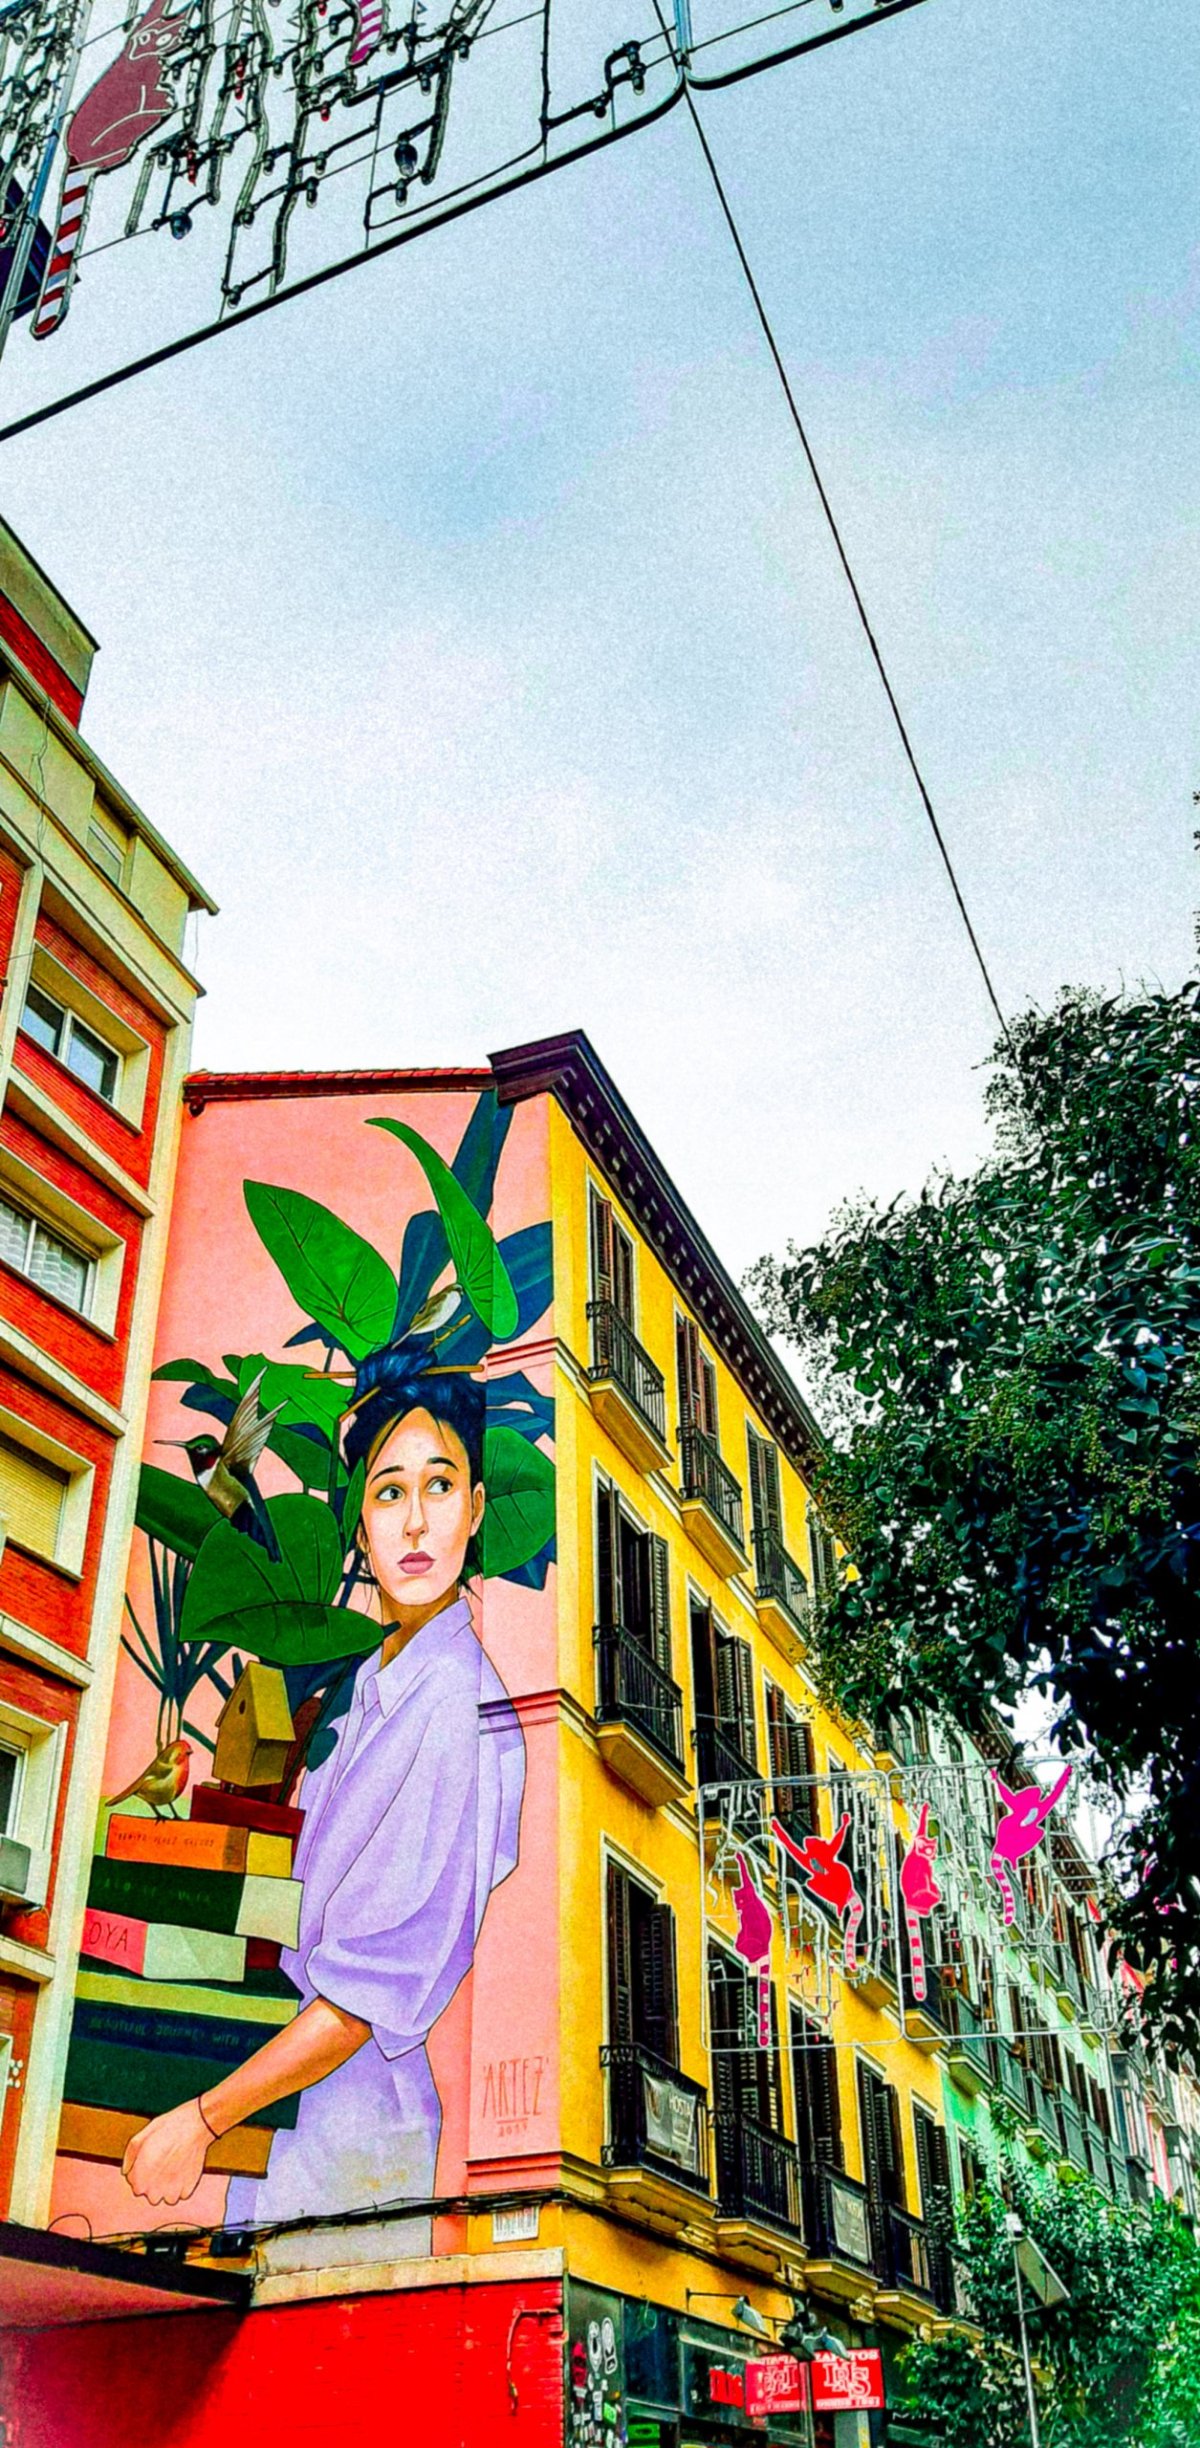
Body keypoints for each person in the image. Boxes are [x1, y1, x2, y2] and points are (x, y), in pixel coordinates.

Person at [122, 1357, 525, 2222]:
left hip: (354, 2135)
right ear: (359, 1525)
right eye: (388, 1493)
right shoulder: (368, 1683)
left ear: (476, 1509)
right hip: (291, 2111)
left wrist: (201, 2120)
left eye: (440, 1486)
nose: (415, 1522)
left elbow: (362, 1993)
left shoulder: (461, 1709)